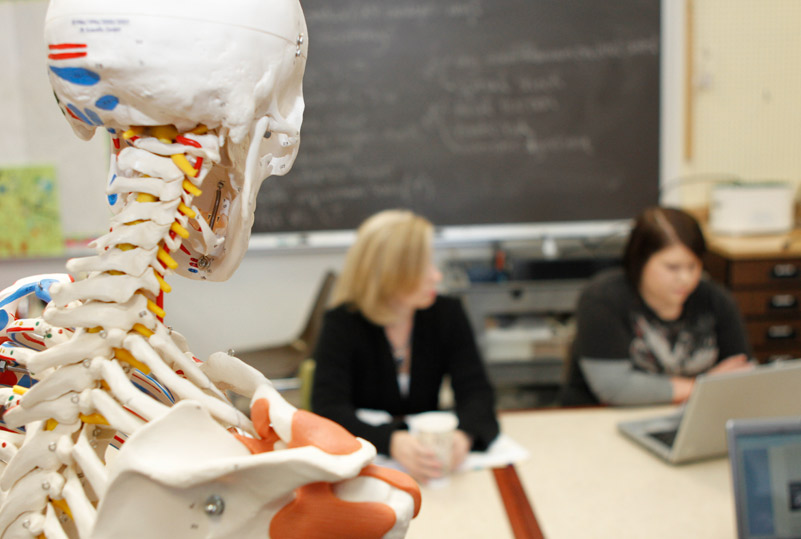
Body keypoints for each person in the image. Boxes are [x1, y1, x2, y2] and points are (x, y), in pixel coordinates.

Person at [312, 209, 499, 483]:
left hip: (431, 472)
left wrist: (464, 436)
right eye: (424, 267)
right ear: (390, 274)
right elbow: (327, 411)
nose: (436, 276)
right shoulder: (342, 323)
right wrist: (391, 441)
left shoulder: (447, 314)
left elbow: (478, 393)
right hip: (369, 476)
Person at [562, 206, 752, 406]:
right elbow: (615, 388)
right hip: (600, 418)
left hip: (691, 415)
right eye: (672, 267)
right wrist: (703, 386)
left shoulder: (716, 299)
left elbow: (742, 375)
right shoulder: (602, 299)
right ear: (640, 261)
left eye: (693, 266)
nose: (685, 278)